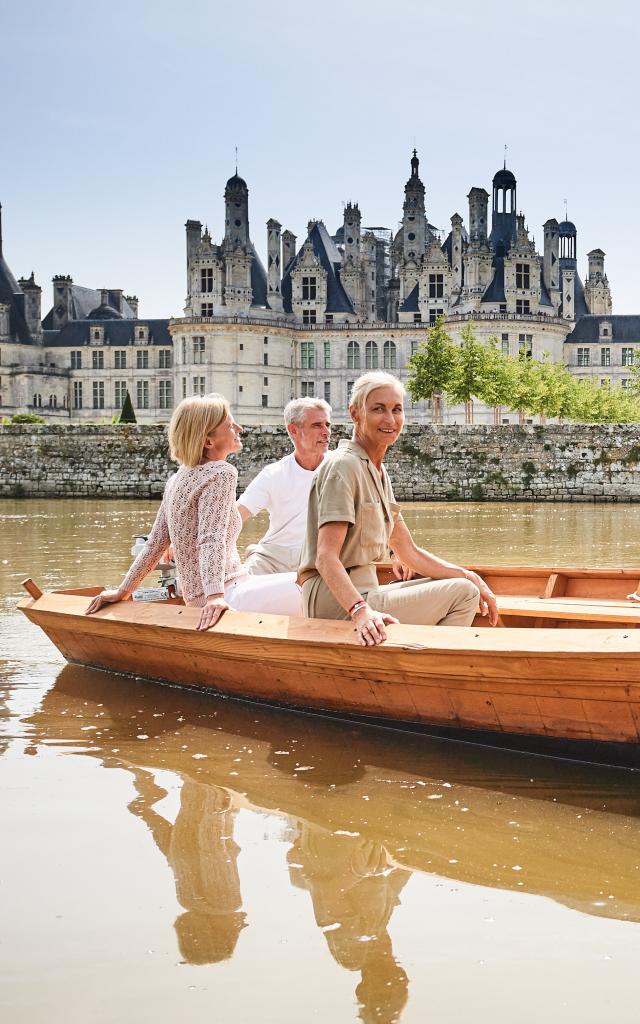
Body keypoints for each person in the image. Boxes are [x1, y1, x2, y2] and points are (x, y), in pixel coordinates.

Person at [297, 370, 499, 646]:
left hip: (364, 591)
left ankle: (416, 663)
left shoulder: (377, 471)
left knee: (466, 585)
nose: (390, 420)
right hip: (335, 600)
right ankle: (428, 672)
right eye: (378, 409)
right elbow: (325, 558)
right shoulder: (343, 466)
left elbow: (409, 552)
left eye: (397, 409)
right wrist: (360, 611)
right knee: (463, 593)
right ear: (355, 414)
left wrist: (471, 575)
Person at [86, 393, 302, 630]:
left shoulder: (177, 479)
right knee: (317, 585)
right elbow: (211, 539)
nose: (239, 428)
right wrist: (215, 597)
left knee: (307, 578)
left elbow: (155, 544)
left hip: (211, 593)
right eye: (230, 425)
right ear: (208, 441)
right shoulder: (221, 473)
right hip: (228, 593)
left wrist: (123, 590)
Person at [237, 397, 332, 574]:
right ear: (293, 430)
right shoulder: (273, 473)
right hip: (272, 557)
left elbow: (377, 513)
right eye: (317, 425)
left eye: (328, 424)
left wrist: (393, 553)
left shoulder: (341, 468)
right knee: (238, 587)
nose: (327, 432)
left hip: (319, 558)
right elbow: (237, 514)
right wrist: (188, 541)